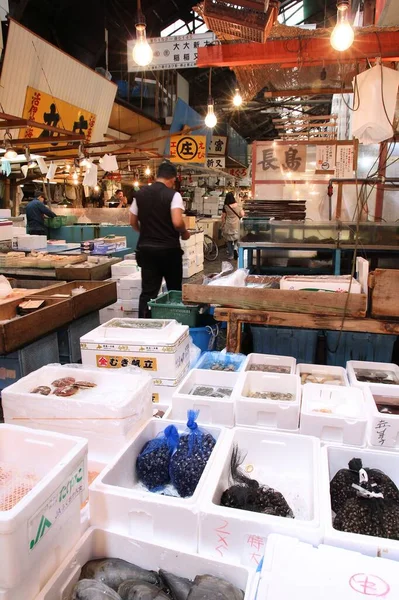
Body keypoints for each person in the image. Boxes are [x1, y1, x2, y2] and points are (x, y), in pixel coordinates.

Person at [129, 162, 190, 318]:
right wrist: (184, 232)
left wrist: (145, 232)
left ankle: (144, 326)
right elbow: (177, 221)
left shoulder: (140, 194)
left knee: (148, 292)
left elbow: (132, 221)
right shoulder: (173, 195)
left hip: (147, 251)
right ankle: (173, 324)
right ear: (172, 179)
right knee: (174, 290)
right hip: (169, 250)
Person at [221, 191, 244, 260]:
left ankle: (231, 255)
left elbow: (223, 217)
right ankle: (235, 248)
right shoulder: (238, 205)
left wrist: (222, 225)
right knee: (237, 238)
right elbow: (242, 214)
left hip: (228, 224)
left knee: (229, 240)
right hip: (236, 224)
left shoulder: (225, 206)